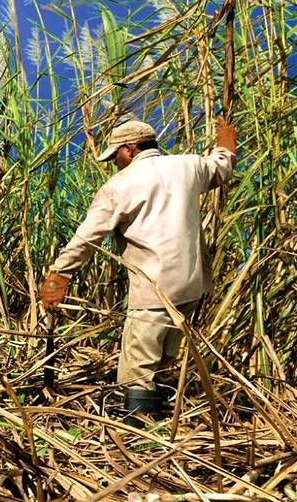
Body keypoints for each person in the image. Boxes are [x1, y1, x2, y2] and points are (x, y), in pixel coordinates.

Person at [38, 117, 237, 422]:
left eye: (115, 155)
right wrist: (225, 142)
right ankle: (161, 426)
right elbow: (221, 168)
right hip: (191, 285)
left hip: (154, 289)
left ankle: (137, 439)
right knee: (165, 361)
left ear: (129, 150)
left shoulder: (120, 185)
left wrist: (59, 274)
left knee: (138, 371)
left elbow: (87, 237)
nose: (113, 163)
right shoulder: (188, 166)